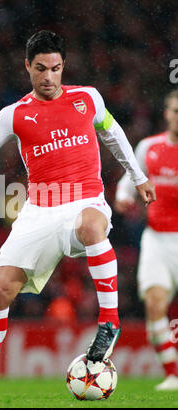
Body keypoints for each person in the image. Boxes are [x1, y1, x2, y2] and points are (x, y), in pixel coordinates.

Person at [0, 30, 155, 401]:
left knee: (94, 225)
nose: (48, 77)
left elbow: (113, 134)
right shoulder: (15, 114)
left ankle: (110, 322)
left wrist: (137, 177)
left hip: (85, 202)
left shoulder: (87, 98)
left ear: (64, 67)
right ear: (27, 66)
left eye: (56, 69)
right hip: (39, 211)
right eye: (41, 69)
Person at [115, 89, 178, 391]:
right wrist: (123, 195)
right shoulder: (148, 147)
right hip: (156, 239)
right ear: (167, 113)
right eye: (175, 110)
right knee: (155, 303)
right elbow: (131, 175)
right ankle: (172, 375)